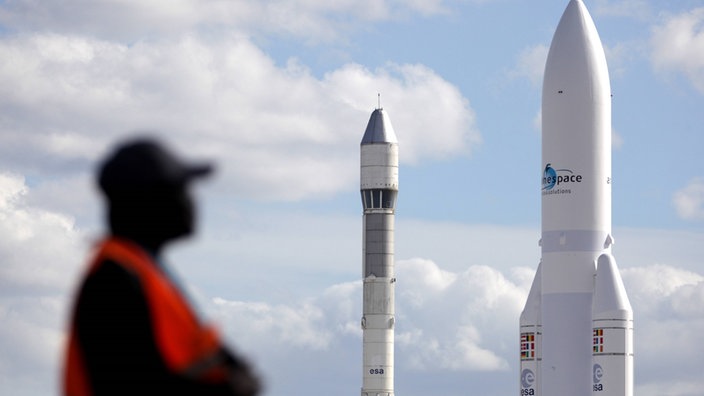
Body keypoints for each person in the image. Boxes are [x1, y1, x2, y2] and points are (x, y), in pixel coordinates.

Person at [63, 138, 260, 396]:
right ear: (152, 201)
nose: (192, 201)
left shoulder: (146, 274)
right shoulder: (114, 280)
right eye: (181, 189)